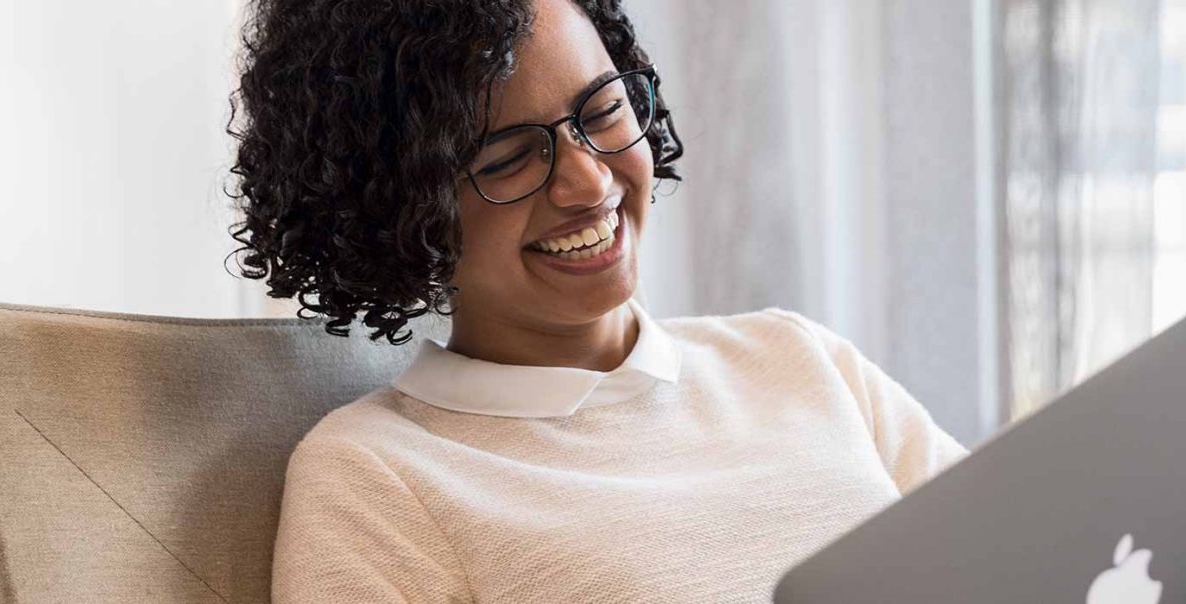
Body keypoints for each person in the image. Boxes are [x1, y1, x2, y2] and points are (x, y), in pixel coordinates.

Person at [229, 0, 967, 601]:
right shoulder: (377, 477)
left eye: (603, 111)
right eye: (509, 158)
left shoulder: (801, 360)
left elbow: (1020, 555)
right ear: (395, 209)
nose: (588, 184)